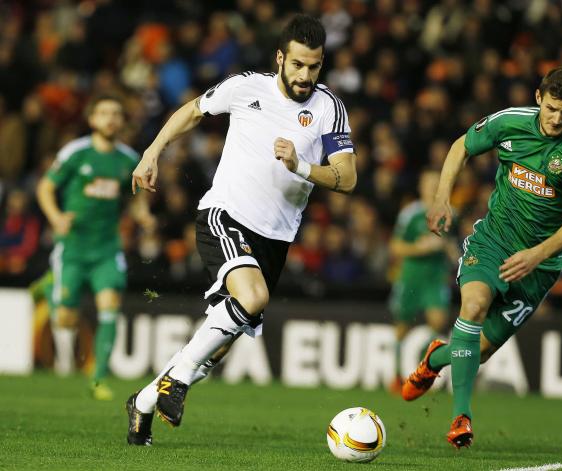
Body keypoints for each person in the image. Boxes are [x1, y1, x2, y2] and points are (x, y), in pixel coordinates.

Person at [126, 14, 357, 446]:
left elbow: (348, 178)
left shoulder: (329, 108)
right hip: (225, 215)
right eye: (298, 65)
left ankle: (143, 400)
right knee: (252, 298)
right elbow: (193, 111)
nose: (306, 75)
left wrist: (302, 166)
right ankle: (175, 382)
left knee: (223, 339)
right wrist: (152, 151)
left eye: (315, 66)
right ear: (280, 58)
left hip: (276, 238)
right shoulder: (246, 87)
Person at [401, 66, 562, 449]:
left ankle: (436, 360)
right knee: (473, 306)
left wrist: (537, 254)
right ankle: (461, 417)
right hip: (494, 240)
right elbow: (462, 145)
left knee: (479, 350)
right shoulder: (511, 121)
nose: (558, 119)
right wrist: (442, 195)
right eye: (553, 108)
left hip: (541, 265)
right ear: (539, 97)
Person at [36, 95, 152, 400]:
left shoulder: (128, 159)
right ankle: (50, 288)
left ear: (122, 121)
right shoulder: (76, 153)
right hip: (73, 247)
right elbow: (45, 188)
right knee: (64, 321)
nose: (110, 118)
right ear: (92, 120)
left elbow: (136, 197)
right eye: (103, 113)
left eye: (116, 113)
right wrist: (56, 217)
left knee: (110, 308)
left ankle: (98, 378)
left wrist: (144, 216)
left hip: (106, 248)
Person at [388, 168, 459, 393]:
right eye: (428, 183)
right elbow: (396, 246)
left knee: (438, 322)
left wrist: (446, 247)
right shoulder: (410, 214)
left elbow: (456, 249)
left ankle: (424, 368)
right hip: (411, 276)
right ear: (421, 187)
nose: (431, 187)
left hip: (435, 277)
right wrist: (419, 248)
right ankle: (397, 375)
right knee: (402, 325)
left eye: (435, 183)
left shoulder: (451, 213)